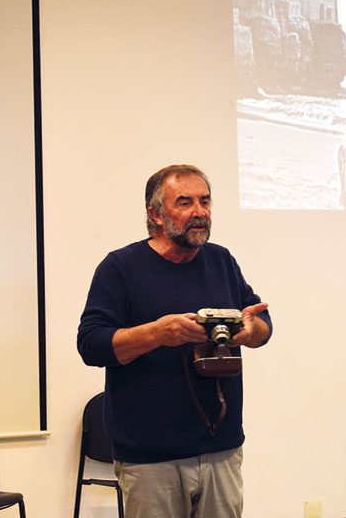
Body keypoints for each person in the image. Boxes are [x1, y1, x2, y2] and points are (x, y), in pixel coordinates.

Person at [77, 164, 272, 518]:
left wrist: (251, 329)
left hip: (221, 448)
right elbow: (91, 344)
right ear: (155, 214)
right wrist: (158, 333)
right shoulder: (121, 267)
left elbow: (260, 321)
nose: (199, 212)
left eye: (205, 201)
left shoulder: (221, 260)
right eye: (185, 202)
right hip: (151, 457)